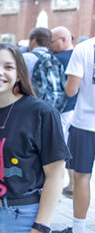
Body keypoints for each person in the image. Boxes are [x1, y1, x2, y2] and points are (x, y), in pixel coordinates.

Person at [0, 43, 70, 233]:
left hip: (22, 217)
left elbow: (56, 175)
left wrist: (40, 231)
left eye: (8, 67)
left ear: (18, 75)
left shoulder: (41, 112)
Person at [51, 35, 95, 233]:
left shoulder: (84, 48)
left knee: (82, 178)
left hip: (86, 123)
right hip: (84, 123)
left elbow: (71, 90)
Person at [50, 26, 77, 198]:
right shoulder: (82, 55)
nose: (49, 45)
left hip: (64, 109)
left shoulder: (57, 59)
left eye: (52, 41)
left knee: (58, 149)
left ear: (63, 39)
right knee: (72, 147)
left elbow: (66, 90)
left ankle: (59, 185)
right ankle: (71, 184)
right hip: (78, 110)